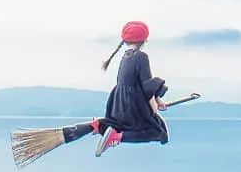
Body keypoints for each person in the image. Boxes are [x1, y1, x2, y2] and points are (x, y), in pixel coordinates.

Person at [58, 20, 169, 156]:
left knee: (120, 124)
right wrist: (153, 108)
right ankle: (117, 137)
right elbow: (147, 86)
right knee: (157, 130)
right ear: (145, 40)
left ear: (125, 41)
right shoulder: (142, 57)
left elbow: (141, 84)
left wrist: (159, 101)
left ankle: (99, 125)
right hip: (133, 109)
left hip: (119, 107)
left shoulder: (125, 57)